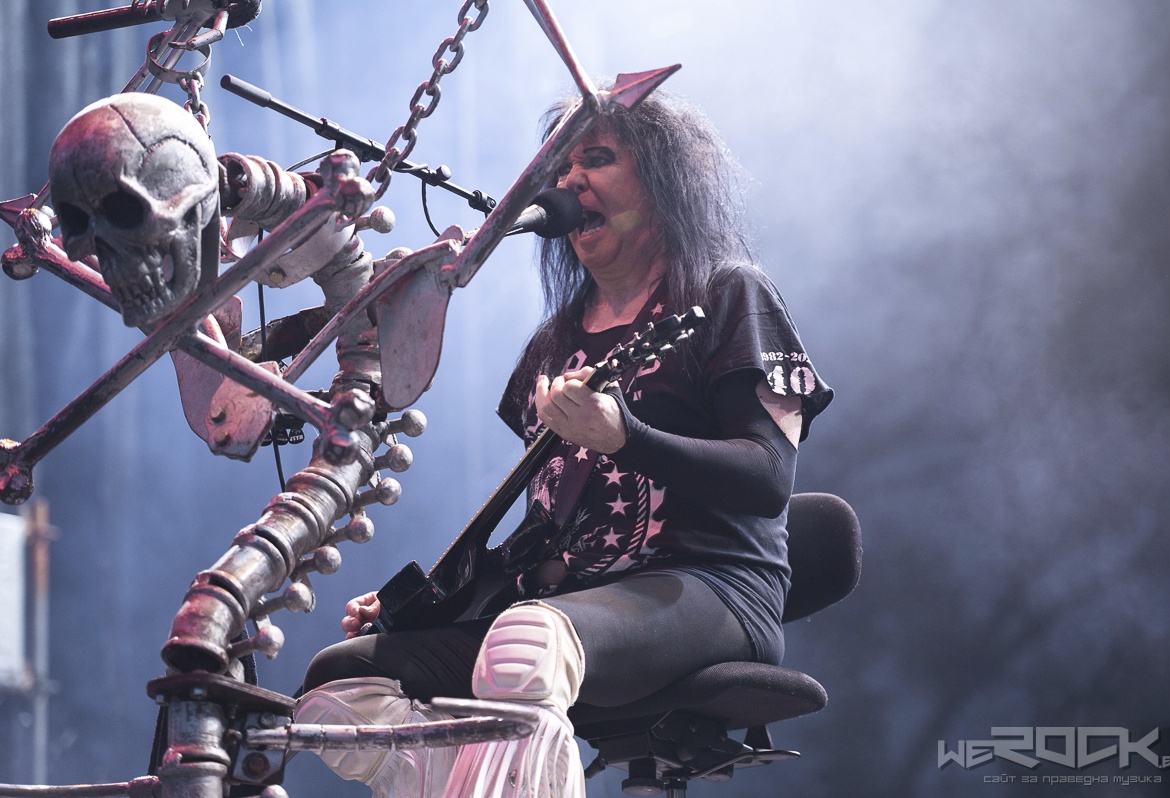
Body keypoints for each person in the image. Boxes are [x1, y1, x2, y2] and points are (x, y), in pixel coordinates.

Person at [295, 89, 833, 798]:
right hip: (569, 598)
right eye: (562, 167)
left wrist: (626, 438)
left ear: (663, 181)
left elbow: (767, 478)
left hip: (712, 586)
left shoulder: (730, 294)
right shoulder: (553, 345)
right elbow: (550, 525)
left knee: (525, 646)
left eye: (599, 159)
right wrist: (446, 596)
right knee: (338, 686)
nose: (570, 183)